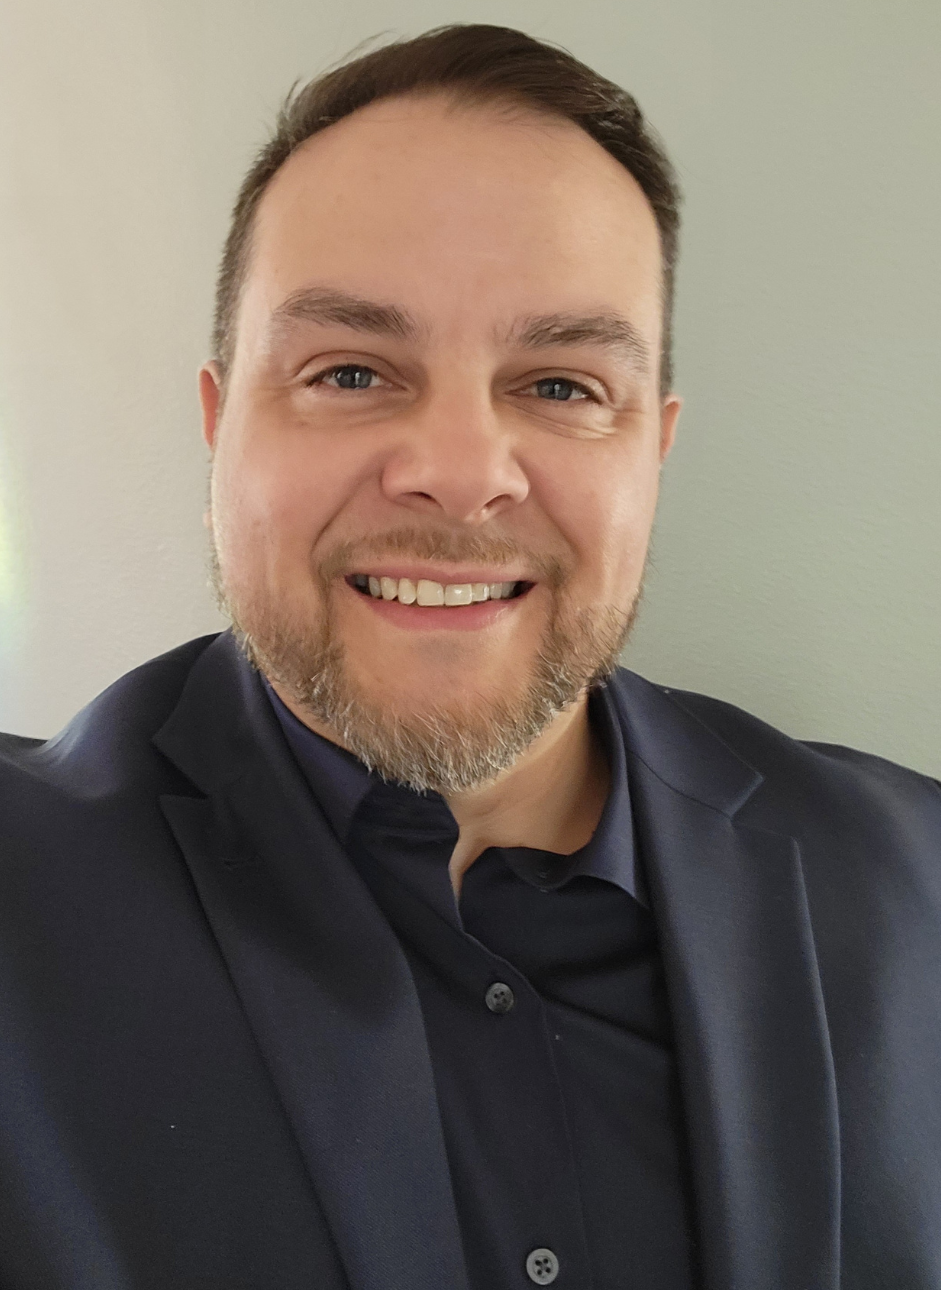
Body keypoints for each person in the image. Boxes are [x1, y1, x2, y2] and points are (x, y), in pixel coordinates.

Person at [0, 22, 938, 1290]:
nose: (456, 473)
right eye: (347, 371)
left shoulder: (913, 882)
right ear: (219, 429)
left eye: (559, 386)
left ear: (648, 448)